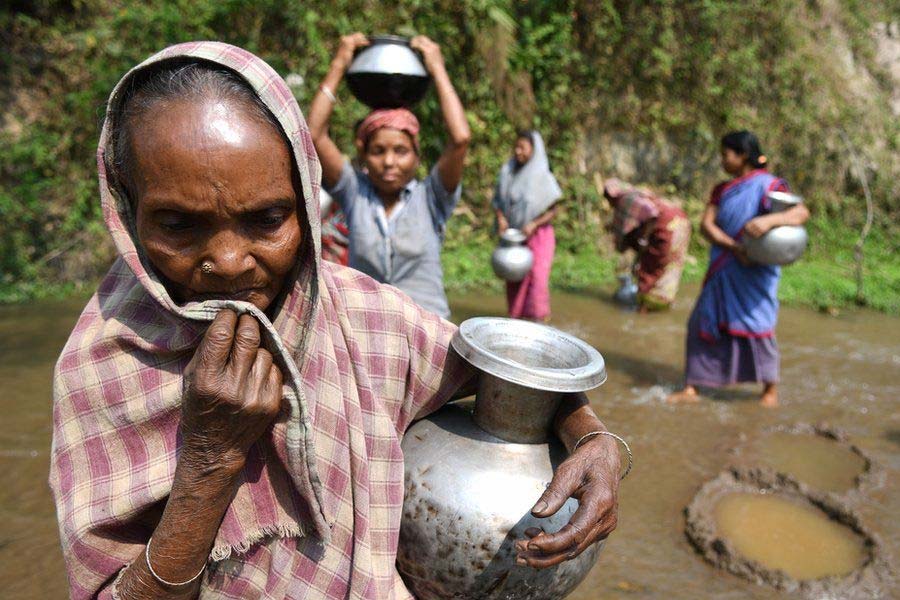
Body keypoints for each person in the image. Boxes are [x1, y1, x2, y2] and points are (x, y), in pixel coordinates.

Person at [48, 42, 624, 599]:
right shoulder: (105, 365)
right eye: (177, 225)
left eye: (268, 218)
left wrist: (594, 439)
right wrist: (210, 462)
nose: (227, 262)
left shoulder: (363, 316)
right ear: (127, 208)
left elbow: (508, 377)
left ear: (304, 199)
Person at [307, 33, 468, 318]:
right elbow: (314, 134)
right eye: (378, 151)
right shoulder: (355, 193)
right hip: (367, 330)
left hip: (429, 332)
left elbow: (460, 138)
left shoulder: (431, 197)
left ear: (417, 156)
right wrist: (339, 64)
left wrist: (438, 68)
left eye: (401, 151)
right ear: (364, 157)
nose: (390, 162)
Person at [668, 131, 809, 407]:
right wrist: (733, 247)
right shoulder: (723, 189)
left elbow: (801, 212)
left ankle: (770, 391)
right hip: (726, 265)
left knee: (758, 326)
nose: (722, 160)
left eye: (726, 154)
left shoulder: (770, 185)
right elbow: (707, 225)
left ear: (742, 155)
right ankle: (692, 387)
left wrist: (769, 222)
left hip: (756, 271)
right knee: (702, 323)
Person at [493, 130, 561, 321]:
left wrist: (534, 223)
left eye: (522, 147)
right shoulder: (508, 172)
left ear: (534, 149)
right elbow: (498, 201)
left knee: (537, 280)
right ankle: (516, 322)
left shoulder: (543, 177)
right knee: (514, 280)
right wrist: (501, 218)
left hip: (539, 236)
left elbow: (554, 209)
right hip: (515, 237)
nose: (518, 151)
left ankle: (539, 322)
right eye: (516, 147)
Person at [603, 178, 691, 311]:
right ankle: (662, 303)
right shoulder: (638, 194)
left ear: (611, 195)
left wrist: (644, 238)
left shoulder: (626, 199)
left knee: (652, 265)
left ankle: (645, 307)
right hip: (680, 222)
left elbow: (651, 213)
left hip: (666, 226)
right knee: (669, 264)